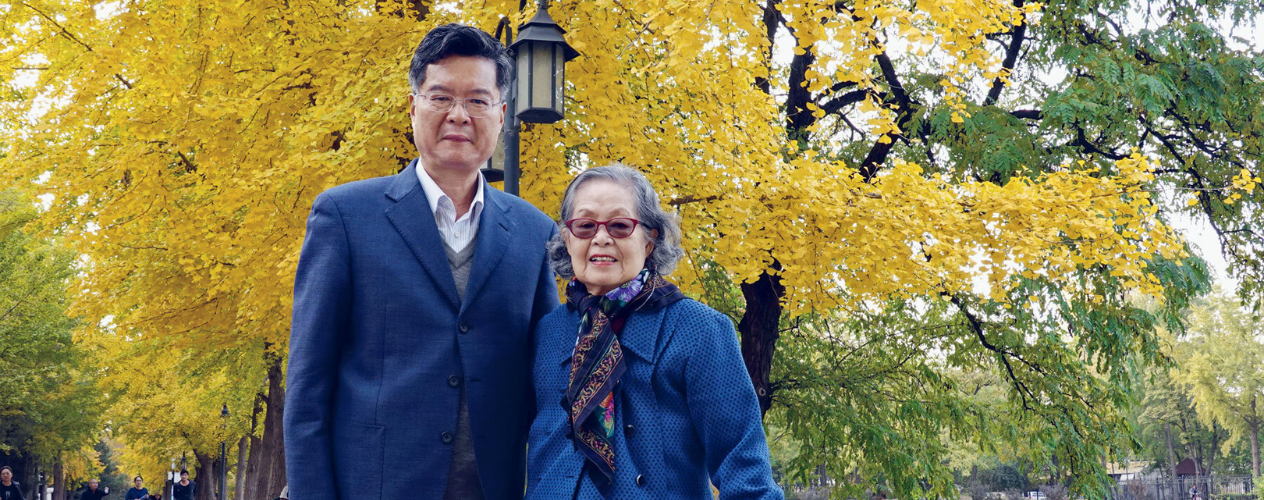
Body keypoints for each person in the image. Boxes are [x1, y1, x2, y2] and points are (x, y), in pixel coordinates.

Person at [284, 23, 559, 500]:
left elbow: (547, 383)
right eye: (440, 98)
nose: (458, 115)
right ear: (413, 106)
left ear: (502, 113)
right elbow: (308, 389)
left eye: (477, 100)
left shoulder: (535, 233)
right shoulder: (345, 217)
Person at [526, 165, 783, 498]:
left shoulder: (700, 331)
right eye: (585, 225)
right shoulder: (548, 331)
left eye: (620, 226)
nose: (601, 237)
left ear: (649, 240)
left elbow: (745, 473)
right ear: (567, 238)